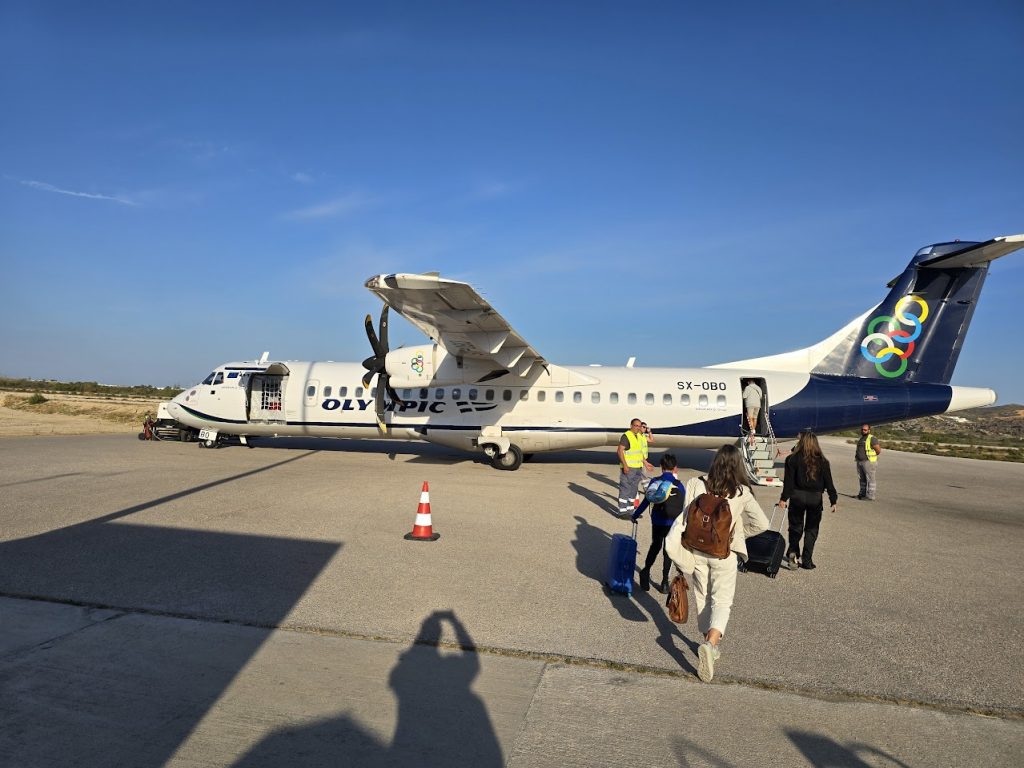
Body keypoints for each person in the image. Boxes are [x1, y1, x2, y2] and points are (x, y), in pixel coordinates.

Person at [665, 444, 769, 683]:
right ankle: (711, 646)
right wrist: (738, 534)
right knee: (722, 600)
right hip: (724, 554)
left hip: (697, 551)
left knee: (702, 598)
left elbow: (687, 518)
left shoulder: (695, 484)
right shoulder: (741, 492)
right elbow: (762, 523)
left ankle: (707, 644)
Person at [779, 431, 837, 570]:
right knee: (811, 529)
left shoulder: (792, 459)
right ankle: (807, 560)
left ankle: (793, 552)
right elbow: (829, 483)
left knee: (795, 527)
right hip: (815, 499)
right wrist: (833, 500)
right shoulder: (823, 461)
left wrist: (783, 498)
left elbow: (789, 483)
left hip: (797, 497)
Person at [631, 453, 686, 592]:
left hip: (657, 520)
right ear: (675, 468)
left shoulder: (655, 481)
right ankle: (664, 582)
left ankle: (645, 571)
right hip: (672, 523)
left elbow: (646, 501)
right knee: (668, 551)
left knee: (655, 546)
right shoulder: (679, 485)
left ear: (661, 467)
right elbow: (685, 505)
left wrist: (635, 515)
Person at [617, 418, 655, 517]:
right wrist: (625, 465)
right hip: (629, 468)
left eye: (639, 426)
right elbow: (620, 451)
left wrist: (645, 463)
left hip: (638, 467)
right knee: (625, 489)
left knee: (633, 490)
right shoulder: (627, 436)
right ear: (631, 426)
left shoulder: (638, 436)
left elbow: (639, 453)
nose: (638, 427)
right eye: (636, 425)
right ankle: (622, 511)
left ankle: (630, 511)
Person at [855, 423, 882, 500]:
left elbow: (878, 450)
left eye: (865, 430)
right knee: (862, 479)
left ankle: (870, 496)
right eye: (862, 429)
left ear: (869, 430)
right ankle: (862, 494)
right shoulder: (862, 438)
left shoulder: (872, 438)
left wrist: (872, 458)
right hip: (860, 461)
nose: (863, 431)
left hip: (868, 462)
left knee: (870, 479)